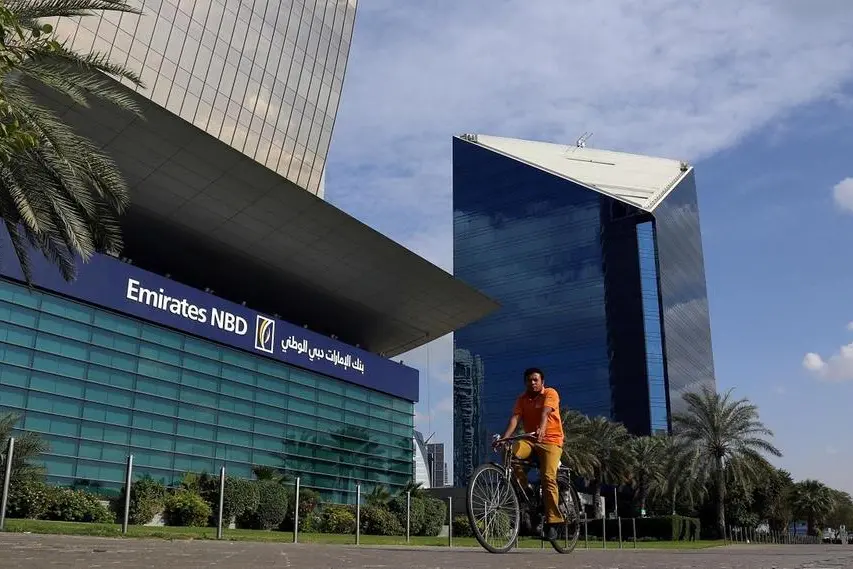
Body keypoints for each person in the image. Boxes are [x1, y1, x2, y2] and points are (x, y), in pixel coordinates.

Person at [496, 367, 564, 539]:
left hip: (551, 441)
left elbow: (545, 412)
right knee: (509, 453)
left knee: (548, 477)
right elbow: (515, 418)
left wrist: (542, 428)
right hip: (530, 440)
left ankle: (553, 522)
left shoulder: (550, 393)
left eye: (535, 380)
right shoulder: (522, 399)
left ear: (542, 382)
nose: (532, 383)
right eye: (529, 380)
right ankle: (526, 488)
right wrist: (504, 439)